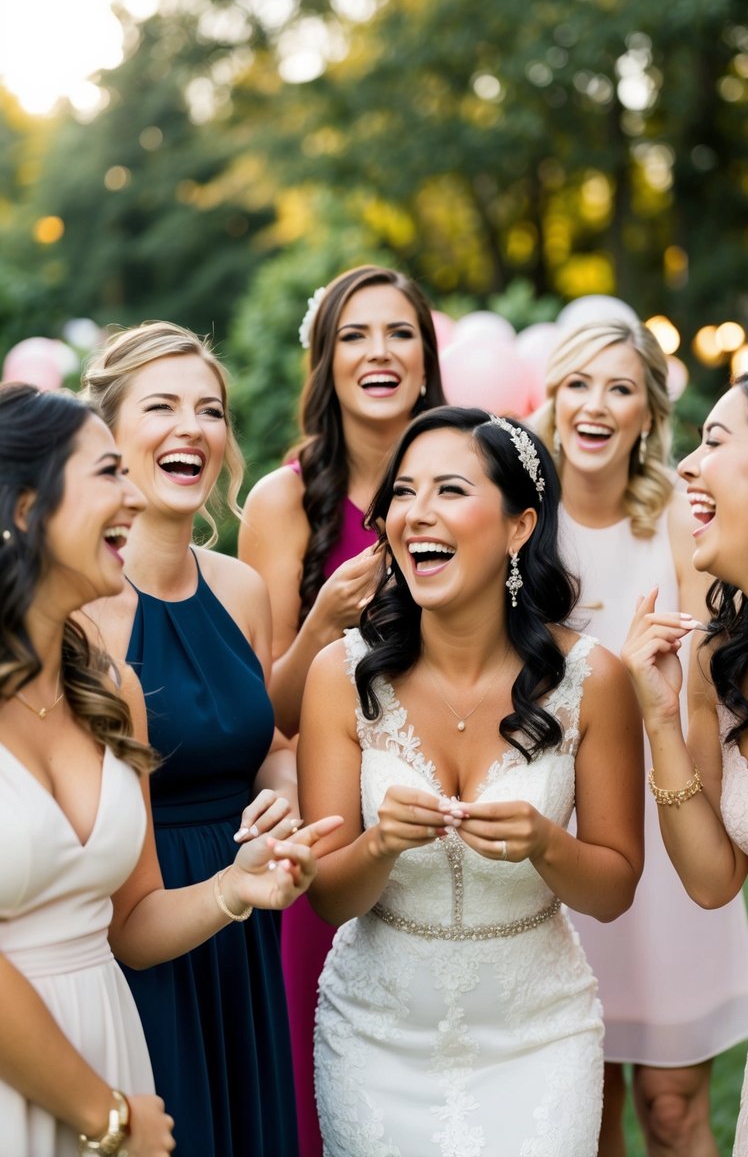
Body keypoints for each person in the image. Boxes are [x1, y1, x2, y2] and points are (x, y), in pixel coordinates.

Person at [0, 382, 337, 1157]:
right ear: (24, 509)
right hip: (55, 1086)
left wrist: (236, 887)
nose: (131, 496)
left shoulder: (111, 690)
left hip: (117, 1049)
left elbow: (134, 925)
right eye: (106, 474)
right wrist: (103, 1114)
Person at [299, 405, 645, 1156]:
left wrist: (548, 844)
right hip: (374, 1039)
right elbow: (327, 897)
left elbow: (614, 890)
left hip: (538, 1038)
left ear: (519, 527)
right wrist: (378, 846)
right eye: (403, 492)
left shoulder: (593, 680)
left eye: (449, 490)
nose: (414, 513)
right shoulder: (340, 674)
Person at [531, 320, 748, 1156]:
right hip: (565, 828)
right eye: (579, 384)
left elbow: (708, 677)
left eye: (620, 388)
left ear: (648, 414)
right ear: (550, 400)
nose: (596, 406)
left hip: (668, 827)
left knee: (670, 1108)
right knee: (580, 1109)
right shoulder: (521, 515)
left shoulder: (675, 514)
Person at [239, 264, 446, 1156]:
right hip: (328, 820)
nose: (379, 352)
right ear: (324, 360)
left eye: (399, 332)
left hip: (442, 814)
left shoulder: (465, 483)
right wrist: (325, 618)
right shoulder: (283, 502)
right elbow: (267, 713)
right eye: (354, 335)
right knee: (323, 1102)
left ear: (426, 356)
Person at [622, 369, 748, 1156]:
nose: (683, 467)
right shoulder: (717, 661)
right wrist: (657, 716)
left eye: (713, 442)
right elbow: (712, 882)